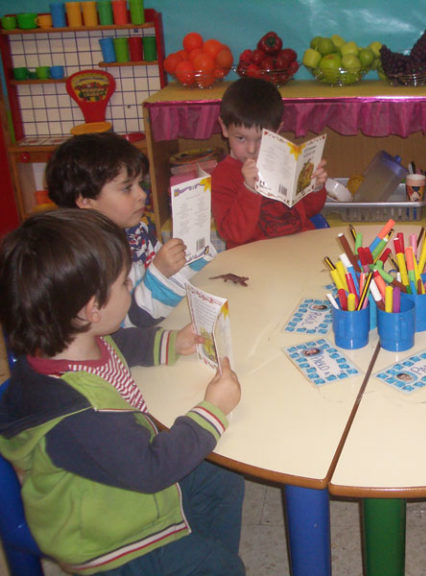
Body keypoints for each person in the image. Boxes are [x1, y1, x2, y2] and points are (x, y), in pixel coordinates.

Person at [0, 209, 244, 575]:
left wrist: (171, 343)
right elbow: (150, 468)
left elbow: (121, 344)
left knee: (221, 478)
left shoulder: (74, 341)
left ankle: (197, 550)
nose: (132, 286)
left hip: (125, 481)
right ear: (91, 309)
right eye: (125, 284)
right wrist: (212, 410)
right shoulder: (78, 418)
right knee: (222, 568)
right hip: (110, 541)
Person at [45, 132, 210, 327]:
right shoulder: (85, 260)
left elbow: (174, 277)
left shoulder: (135, 232)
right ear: (85, 201)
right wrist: (160, 274)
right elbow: (124, 325)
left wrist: (194, 252)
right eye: (126, 188)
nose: (142, 194)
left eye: (140, 184)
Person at [212, 76, 329, 248]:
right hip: (251, 259)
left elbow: (309, 210)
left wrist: (315, 187)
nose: (252, 149)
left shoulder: (284, 160)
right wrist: (249, 190)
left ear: (277, 131)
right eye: (241, 138)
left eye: (261, 139)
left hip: (297, 250)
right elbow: (233, 234)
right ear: (224, 128)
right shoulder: (223, 175)